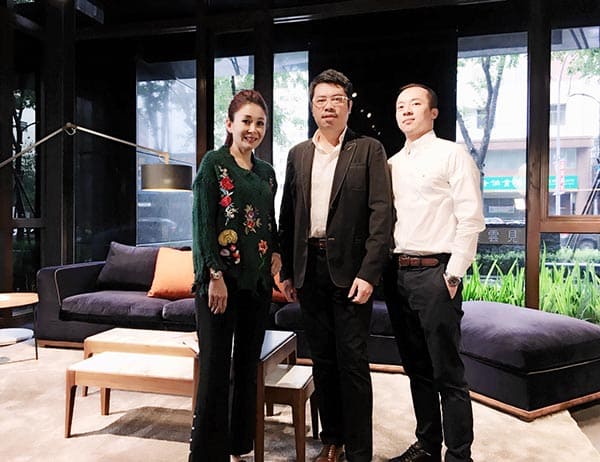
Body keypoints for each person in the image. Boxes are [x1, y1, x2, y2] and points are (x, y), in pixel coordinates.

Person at [278, 69, 392, 462]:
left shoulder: (368, 150)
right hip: (309, 269)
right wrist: (287, 271)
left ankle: (359, 452)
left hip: (352, 274)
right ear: (312, 107)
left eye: (336, 99)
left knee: (353, 363)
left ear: (349, 105)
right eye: (321, 100)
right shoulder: (298, 154)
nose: (328, 106)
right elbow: (288, 215)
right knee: (323, 361)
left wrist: (369, 273)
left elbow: (382, 215)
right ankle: (332, 440)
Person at [383, 83, 485, 462]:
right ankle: (427, 446)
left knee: (448, 372)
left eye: (415, 104)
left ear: (433, 112)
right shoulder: (391, 163)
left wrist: (454, 273)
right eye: (401, 106)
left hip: (436, 274)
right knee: (416, 369)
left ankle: (459, 455)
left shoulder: (452, 154)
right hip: (398, 275)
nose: (406, 111)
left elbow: (471, 219)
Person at [188, 89, 281, 462]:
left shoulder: (267, 173)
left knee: (246, 368)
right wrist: (214, 274)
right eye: (246, 121)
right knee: (214, 369)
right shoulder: (213, 164)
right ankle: (207, 455)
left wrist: (276, 252)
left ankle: (239, 444)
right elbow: (202, 224)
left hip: (256, 285)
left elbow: (269, 222)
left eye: (260, 123)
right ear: (229, 124)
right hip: (219, 284)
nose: (253, 129)